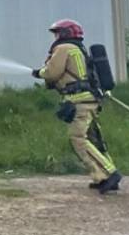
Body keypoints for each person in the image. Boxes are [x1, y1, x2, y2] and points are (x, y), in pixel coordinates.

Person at [32, 19, 121, 194]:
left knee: (78, 139)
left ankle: (110, 173)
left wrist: (38, 73)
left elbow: (52, 72)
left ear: (66, 33)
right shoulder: (78, 49)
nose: (56, 36)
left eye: (58, 33)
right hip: (90, 99)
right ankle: (101, 176)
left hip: (79, 101)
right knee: (95, 139)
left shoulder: (63, 48)